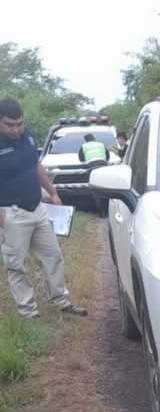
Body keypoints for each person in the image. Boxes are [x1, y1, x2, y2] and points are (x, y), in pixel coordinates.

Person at [0, 98, 87, 319]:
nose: (16, 129)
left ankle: (60, 301)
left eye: (19, 123)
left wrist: (53, 192)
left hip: (37, 208)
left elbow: (36, 165)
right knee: (16, 265)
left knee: (52, 255)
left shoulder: (27, 135)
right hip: (11, 212)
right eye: (10, 124)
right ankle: (28, 312)